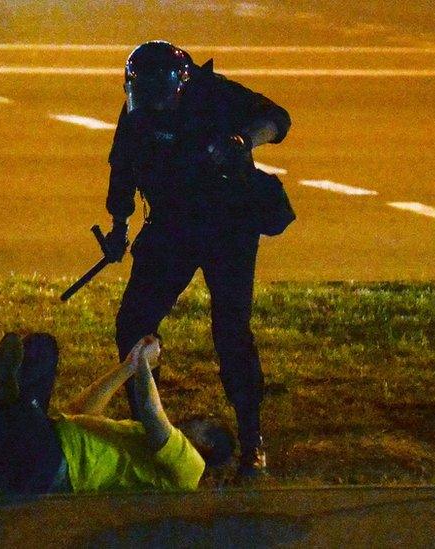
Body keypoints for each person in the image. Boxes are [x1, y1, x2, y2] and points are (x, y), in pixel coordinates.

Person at [101, 40, 291, 480]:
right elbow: (122, 167)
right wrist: (118, 228)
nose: (153, 103)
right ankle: (147, 428)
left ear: (181, 84)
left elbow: (279, 119)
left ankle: (252, 440)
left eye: (159, 94)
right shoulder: (137, 110)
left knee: (231, 332)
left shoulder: (216, 93)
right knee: (133, 324)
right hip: (171, 226)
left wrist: (243, 140)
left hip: (228, 227)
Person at [0, 332, 235, 494]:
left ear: (208, 442)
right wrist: (128, 367)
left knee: (44, 349)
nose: (196, 414)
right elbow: (80, 411)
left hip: (50, 464)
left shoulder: (191, 465)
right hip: (36, 446)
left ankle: (10, 389)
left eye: (204, 420)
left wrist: (146, 366)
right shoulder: (142, 443)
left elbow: (151, 411)